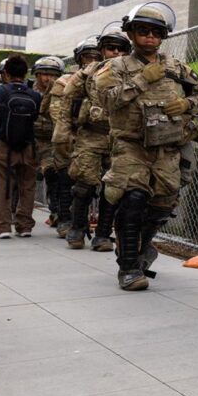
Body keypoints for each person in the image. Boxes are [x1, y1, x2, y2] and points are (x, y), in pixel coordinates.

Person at [95, 3, 198, 290]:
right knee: (132, 200)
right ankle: (129, 268)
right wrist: (142, 79)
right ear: (131, 34)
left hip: (167, 147)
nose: (150, 37)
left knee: (161, 205)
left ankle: (139, 247)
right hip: (131, 146)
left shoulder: (177, 67)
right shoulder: (115, 67)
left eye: (156, 32)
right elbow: (106, 101)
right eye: (143, 31)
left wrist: (186, 104)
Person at [60, 24, 130, 251]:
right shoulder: (89, 72)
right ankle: (77, 229)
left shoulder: (134, 72)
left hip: (121, 138)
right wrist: (63, 133)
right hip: (91, 135)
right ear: (102, 50)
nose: (116, 52)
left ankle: (102, 234)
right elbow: (68, 98)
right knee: (84, 184)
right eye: (111, 48)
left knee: (114, 188)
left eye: (120, 49)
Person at [48, 38, 99, 237]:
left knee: (89, 184)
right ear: (79, 59)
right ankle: (65, 219)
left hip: (94, 139)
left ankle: (86, 223)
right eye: (88, 57)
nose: (92, 61)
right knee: (65, 179)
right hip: (69, 138)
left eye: (97, 57)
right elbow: (57, 113)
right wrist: (70, 135)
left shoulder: (106, 80)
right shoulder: (65, 82)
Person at [0, 54, 41, 238]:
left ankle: (3, 227)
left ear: (6, 73)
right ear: (26, 73)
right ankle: (24, 226)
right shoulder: (35, 95)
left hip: (4, 145)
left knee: (1, 186)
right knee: (28, 187)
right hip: (28, 146)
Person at [31, 54, 65, 219]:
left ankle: (56, 211)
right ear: (37, 74)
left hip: (50, 142)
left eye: (53, 74)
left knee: (52, 173)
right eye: (44, 73)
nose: (48, 78)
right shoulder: (30, 92)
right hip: (31, 140)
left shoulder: (63, 92)